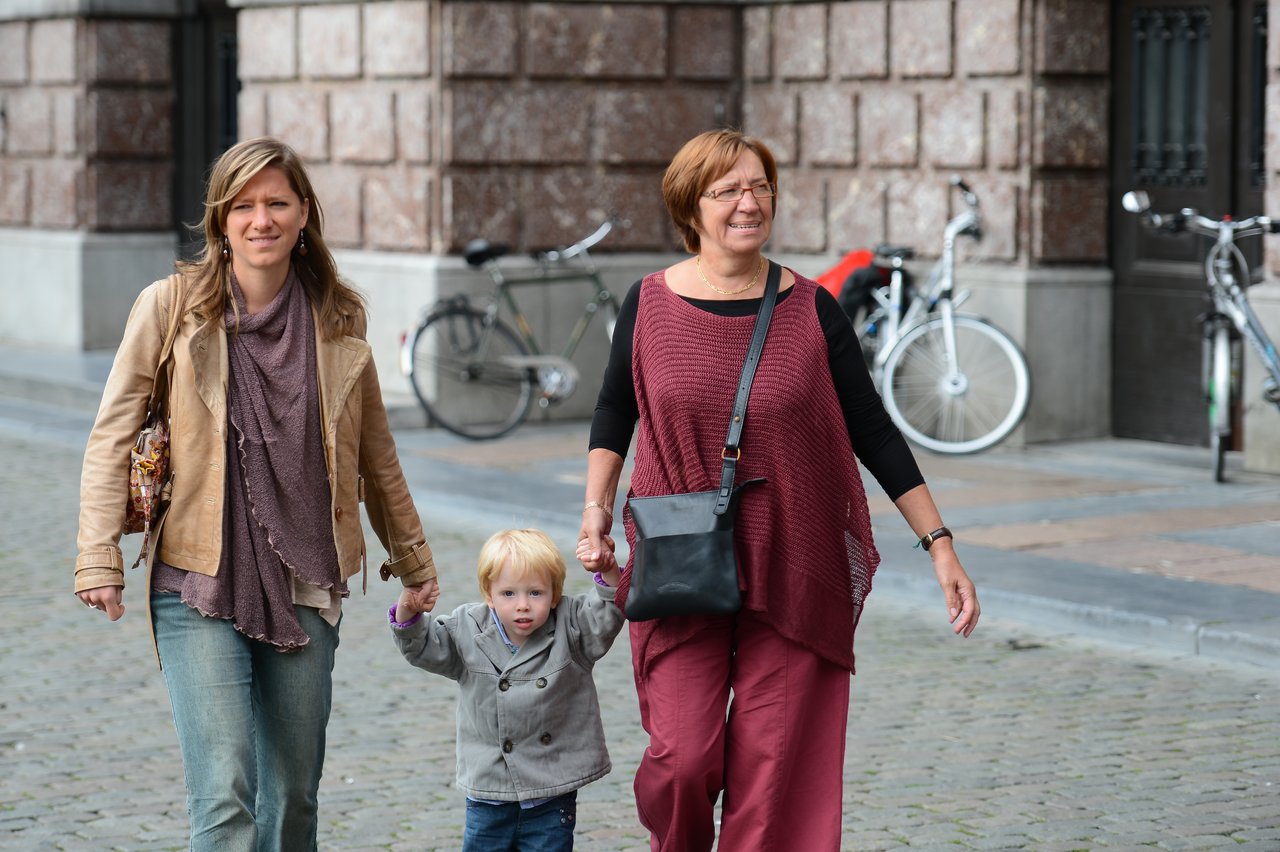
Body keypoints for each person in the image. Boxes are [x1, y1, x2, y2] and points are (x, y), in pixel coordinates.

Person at [575, 129, 981, 852]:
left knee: (773, 771)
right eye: (728, 189)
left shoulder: (813, 308)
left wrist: (939, 544)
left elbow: (874, 432)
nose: (748, 202)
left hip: (795, 558)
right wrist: (596, 511)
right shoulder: (648, 304)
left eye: (760, 186)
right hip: (681, 558)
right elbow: (614, 409)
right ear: (690, 205)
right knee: (682, 757)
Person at [74, 136, 440, 851]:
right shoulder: (171, 307)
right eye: (243, 205)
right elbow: (110, 435)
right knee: (224, 796)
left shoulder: (339, 319)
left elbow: (376, 455)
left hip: (307, 580)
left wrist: (415, 559)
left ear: (304, 214)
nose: (260, 219)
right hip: (197, 578)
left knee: (293, 797)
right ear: (221, 220)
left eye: (277, 203)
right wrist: (97, 557)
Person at [389, 528, 624, 852]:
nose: (523, 605)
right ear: (489, 593)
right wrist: (409, 610)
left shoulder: (571, 625)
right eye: (509, 593)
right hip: (489, 790)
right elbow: (425, 646)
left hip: (550, 788)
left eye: (536, 593)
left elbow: (607, 613)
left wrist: (607, 568)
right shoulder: (468, 627)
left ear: (555, 594)